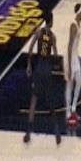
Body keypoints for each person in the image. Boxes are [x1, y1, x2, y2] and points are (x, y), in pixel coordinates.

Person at [24, 12, 60, 144]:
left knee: (34, 100)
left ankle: (28, 132)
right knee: (51, 102)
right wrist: (57, 65)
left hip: (39, 67)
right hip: (47, 69)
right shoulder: (53, 37)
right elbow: (55, 55)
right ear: (51, 21)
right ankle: (56, 132)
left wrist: (29, 65)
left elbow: (30, 48)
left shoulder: (39, 32)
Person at [64, 3, 81, 126]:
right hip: (70, 57)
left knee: (79, 82)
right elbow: (70, 45)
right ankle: (68, 112)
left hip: (75, 56)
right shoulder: (73, 25)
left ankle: (73, 108)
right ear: (79, 13)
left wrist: (78, 57)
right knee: (69, 84)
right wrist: (70, 64)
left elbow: (76, 45)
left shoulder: (79, 24)